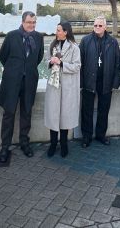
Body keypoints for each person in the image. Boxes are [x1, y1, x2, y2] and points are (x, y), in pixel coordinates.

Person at [0, 11, 44, 163]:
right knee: (8, 114)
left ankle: (24, 143)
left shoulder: (39, 37)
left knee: (26, 113)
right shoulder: (11, 36)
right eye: (29, 22)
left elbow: (38, 58)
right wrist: (14, 70)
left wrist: (27, 70)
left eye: (34, 22)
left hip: (29, 82)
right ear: (23, 22)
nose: (32, 25)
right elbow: (3, 56)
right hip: (12, 82)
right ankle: (5, 147)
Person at [79, 16, 120, 147]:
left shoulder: (113, 42)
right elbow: (80, 63)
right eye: (95, 25)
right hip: (89, 81)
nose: (97, 28)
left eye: (100, 26)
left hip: (106, 82)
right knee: (87, 111)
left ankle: (100, 135)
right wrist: (81, 83)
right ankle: (86, 137)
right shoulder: (85, 41)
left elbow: (117, 64)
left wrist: (115, 83)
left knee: (104, 111)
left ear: (105, 27)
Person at [44, 21, 81, 158]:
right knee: (53, 115)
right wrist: (50, 61)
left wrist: (61, 64)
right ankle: (53, 144)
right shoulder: (52, 45)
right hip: (54, 86)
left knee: (65, 116)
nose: (56, 32)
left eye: (59, 30)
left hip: (67, 86)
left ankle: (64, 144)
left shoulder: (74, 48)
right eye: (57, 29)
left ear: (66, 32)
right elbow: (45, 61)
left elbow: (77, 66)